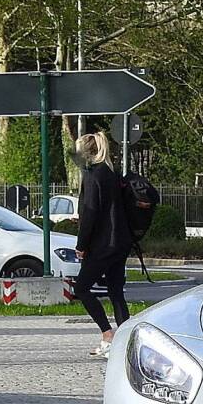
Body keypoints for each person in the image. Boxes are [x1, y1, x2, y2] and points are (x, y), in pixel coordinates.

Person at [73, 131, 132, 358]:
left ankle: (108, 334)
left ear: (86, 153)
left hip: (102, 244)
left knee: (82, 288)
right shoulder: (110, 173)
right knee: (116, 292)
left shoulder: (92, 175)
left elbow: (90, 214)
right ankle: (125, 341)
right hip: (120, 241)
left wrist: (81, 244)